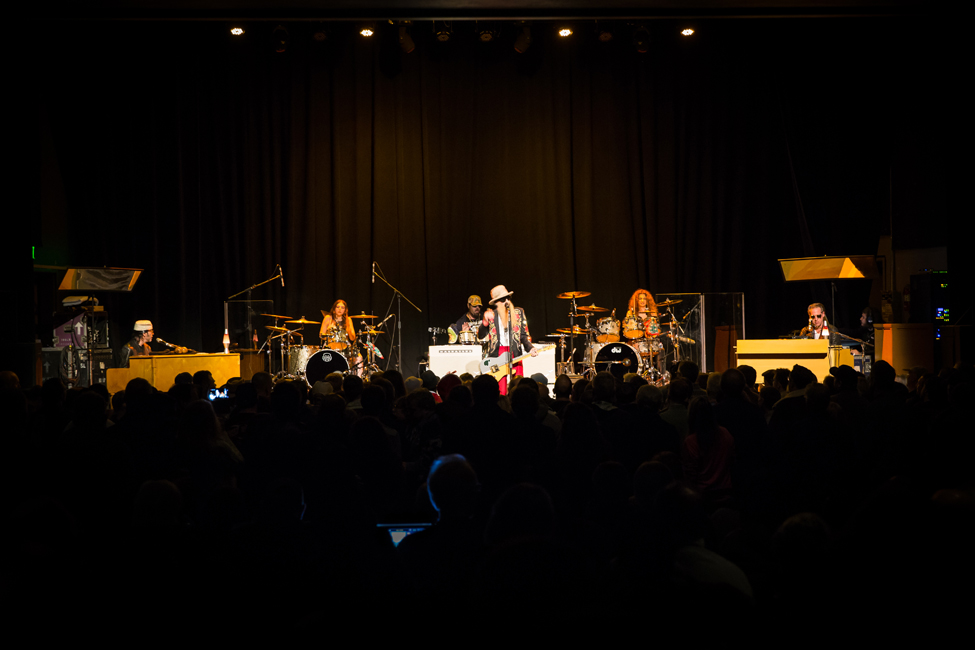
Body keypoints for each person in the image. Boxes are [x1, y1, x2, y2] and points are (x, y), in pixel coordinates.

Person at [478, 285, 537, 394]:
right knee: (501, 387)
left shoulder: (518, 312)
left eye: (508, 298)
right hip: (498, 352)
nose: (506, 301)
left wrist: (530, 348)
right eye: (502, 299)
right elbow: (480, 336)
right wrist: (484, 322)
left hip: (515, 350)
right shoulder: (491, 315)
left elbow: (523, 335)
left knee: (519, 385)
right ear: (496, 302)